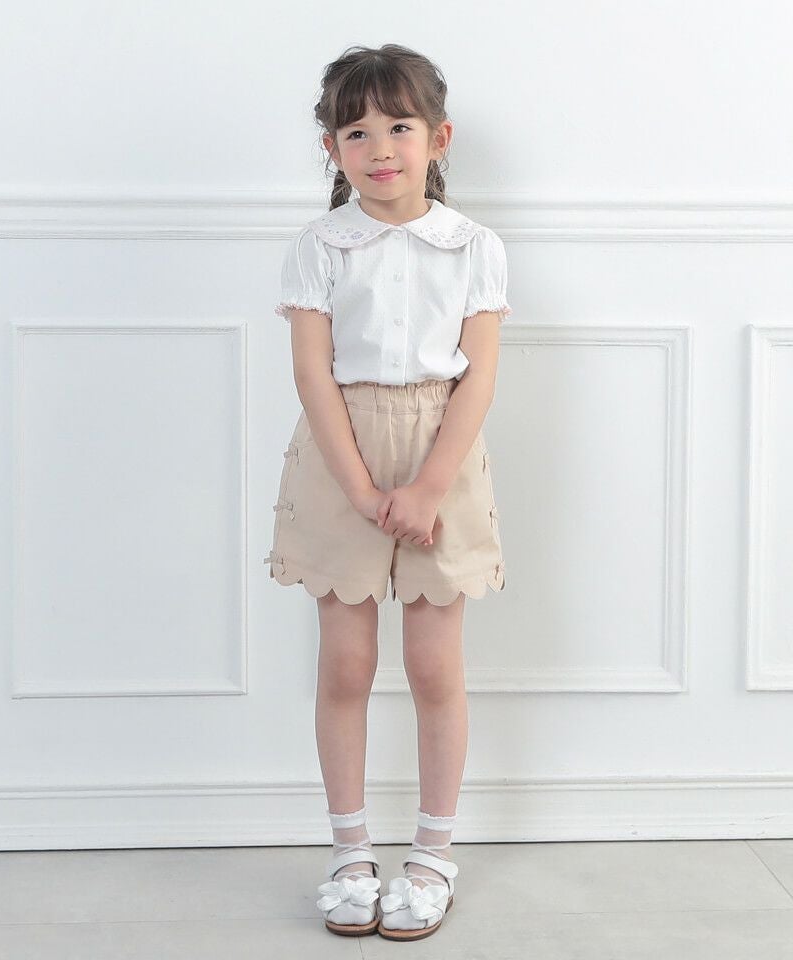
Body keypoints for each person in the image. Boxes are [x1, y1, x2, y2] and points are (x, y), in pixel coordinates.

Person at [263, 43, 511, 942]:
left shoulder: (474, 247)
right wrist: (364, 491)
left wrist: (429, 485)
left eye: (399, 126)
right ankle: (351, 851)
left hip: (444, 450)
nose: (379, 148)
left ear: (437, 137)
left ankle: (434, 853)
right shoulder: (319, 247)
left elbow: (478, 378)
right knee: (346, 665)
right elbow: (313, 376)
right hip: (341, 456)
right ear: (331, 147)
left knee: (436, 666)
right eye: (356, 131)